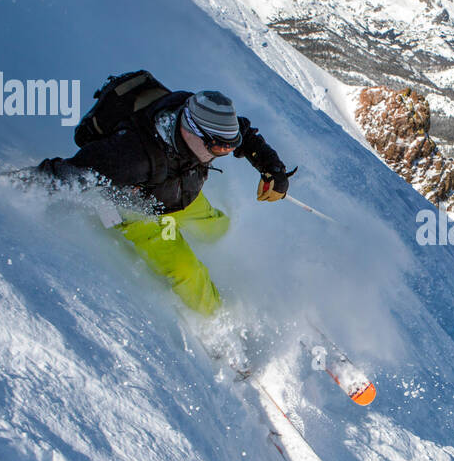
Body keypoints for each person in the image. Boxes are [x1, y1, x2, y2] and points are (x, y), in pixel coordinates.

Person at [36, 86, 291, 316]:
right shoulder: (130, 157)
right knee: (187, 271)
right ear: (194, 133)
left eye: (228, 147)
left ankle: (223, 260)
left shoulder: (201, 122)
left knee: (218, 228)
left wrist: (274, 170)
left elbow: (242, 134)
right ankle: (219, 323)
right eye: (218, 149)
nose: (224, 153)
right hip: (142, 212)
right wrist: (9, 189)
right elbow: (64, 174)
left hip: (180, 194)